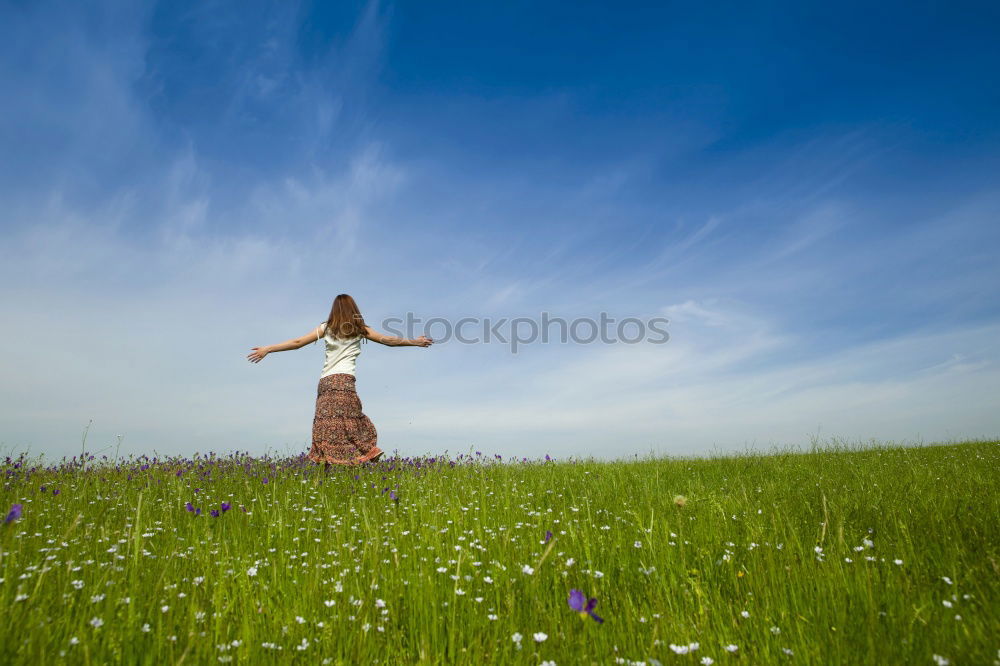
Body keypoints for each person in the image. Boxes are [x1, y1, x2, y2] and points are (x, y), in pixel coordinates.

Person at [247, 294, 432, 468]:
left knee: (326, 427)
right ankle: (362, 456)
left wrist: (268, 348)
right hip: (345, 382)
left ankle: (332, 469)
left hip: (326, 383)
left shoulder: (326, 327)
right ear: (354, 310)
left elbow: (297, 343)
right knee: (352, 422)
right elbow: (388, 340)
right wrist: (414, 342)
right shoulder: (361, 329)